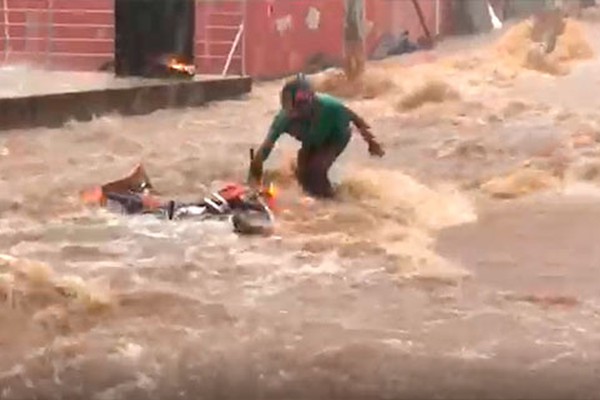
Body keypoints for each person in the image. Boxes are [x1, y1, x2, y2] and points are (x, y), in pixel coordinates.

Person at [248, 74, 384, 198]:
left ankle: (332, 202)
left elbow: (356, 119)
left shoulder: (331, 106)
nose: (295, 114)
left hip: (335, 137)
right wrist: (254, 177)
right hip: (312, 138)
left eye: (300, 108)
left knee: (317, 170)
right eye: (291, 110)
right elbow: (265, 149)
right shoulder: (284, 119)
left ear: (311, 101)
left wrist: (371, 142)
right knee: (302, 173)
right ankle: (313, 202)